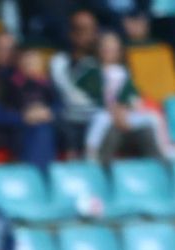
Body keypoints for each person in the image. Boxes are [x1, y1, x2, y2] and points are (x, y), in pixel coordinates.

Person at [80, 31, 175, 163]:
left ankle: (165, 150)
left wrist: (127, 108)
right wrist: (113, 110)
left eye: (112, 48)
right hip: (103, 113)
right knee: (100, 119)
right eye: (105, 47)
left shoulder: (123, 72)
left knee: (153, 117)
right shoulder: (92, 70)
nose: (108, 51)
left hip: (125, 114)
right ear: (98, 49)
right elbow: (89, 95)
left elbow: (132, 96)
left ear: (119, 51)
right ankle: (91, 153)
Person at [0, 31, 58, 173]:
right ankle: (39, 178)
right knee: (40, 131)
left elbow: (58, 103)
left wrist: (48, 112)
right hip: (8, 133)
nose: (6, 53)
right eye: (1, 49)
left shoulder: (34, 77)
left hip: (38, 127)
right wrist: (23, 117)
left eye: (10, 49)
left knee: (43, 128)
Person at [49, 9, 101, 155]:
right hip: (68, 119)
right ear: (71, 33)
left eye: (89, 29)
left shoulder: (104, 62)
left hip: (99, 119)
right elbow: (64, 96)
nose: (84, 35)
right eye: (79, 29)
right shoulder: (58, 62)